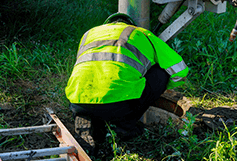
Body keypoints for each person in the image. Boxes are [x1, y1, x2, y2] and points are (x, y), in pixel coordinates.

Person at [65, 13, 188, 153]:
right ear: (129, 25)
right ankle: (124, 126)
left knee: (89, 79)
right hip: (120, 105)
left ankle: (89, 121)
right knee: (161, 73)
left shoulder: (89, 34)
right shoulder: (140, 32)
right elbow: (180, 70)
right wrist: (160, 88)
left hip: (78, 100)